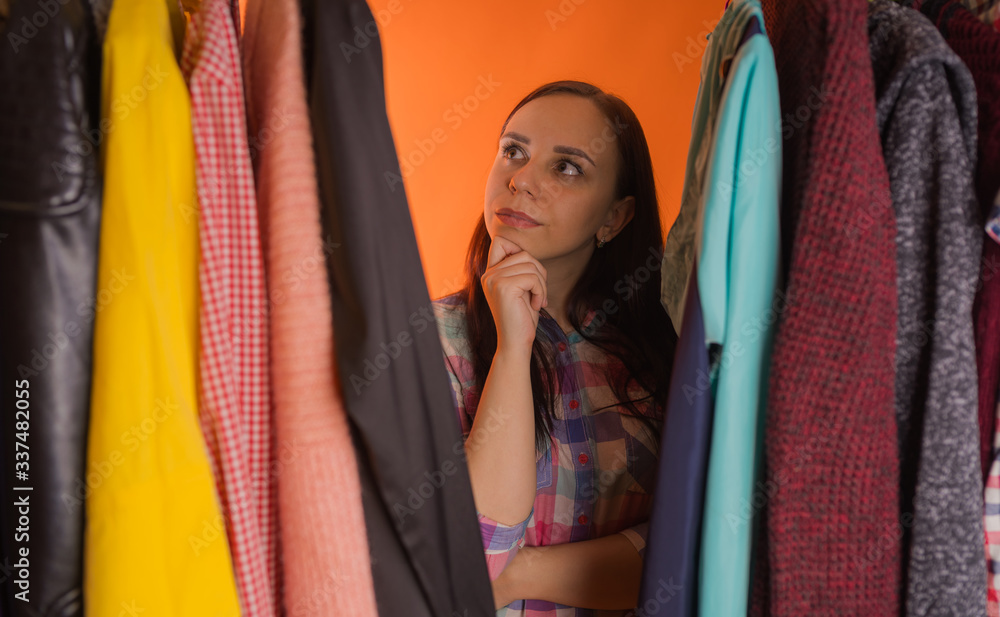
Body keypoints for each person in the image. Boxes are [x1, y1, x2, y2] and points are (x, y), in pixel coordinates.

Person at [432, 80, 677, 615]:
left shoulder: (663, 354)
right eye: (514, 151)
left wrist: (523, 572)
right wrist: (512, 350)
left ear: (615, 217)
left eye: (566, 167)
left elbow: (687, 556)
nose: (520, 180)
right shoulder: (427, 344)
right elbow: (469, 561)